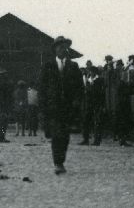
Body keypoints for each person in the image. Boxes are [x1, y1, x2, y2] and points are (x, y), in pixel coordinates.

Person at [38, 35, 84, 174]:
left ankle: (61, 161)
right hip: (53, 107)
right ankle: (58, 163)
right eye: (60, 47)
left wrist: (77, 102)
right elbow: (42, 88)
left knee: (65, 136)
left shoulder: (73, 66)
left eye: (65, 47)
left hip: (68, 108)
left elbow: (79, 87)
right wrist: (43, 107)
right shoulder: (48, 66)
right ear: (55, 49)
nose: (62, 49)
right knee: (56, 135)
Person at [79, 62, 106, 146]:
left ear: (94, 72)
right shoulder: (88, 80)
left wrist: (103, 105)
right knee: (86, 121)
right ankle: (86, 139)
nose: (90, 73)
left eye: (91, 71)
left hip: (97, 103)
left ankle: (97, 141)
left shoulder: (99, 80)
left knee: (97, 122)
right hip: (89, 103)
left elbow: (102, 93)